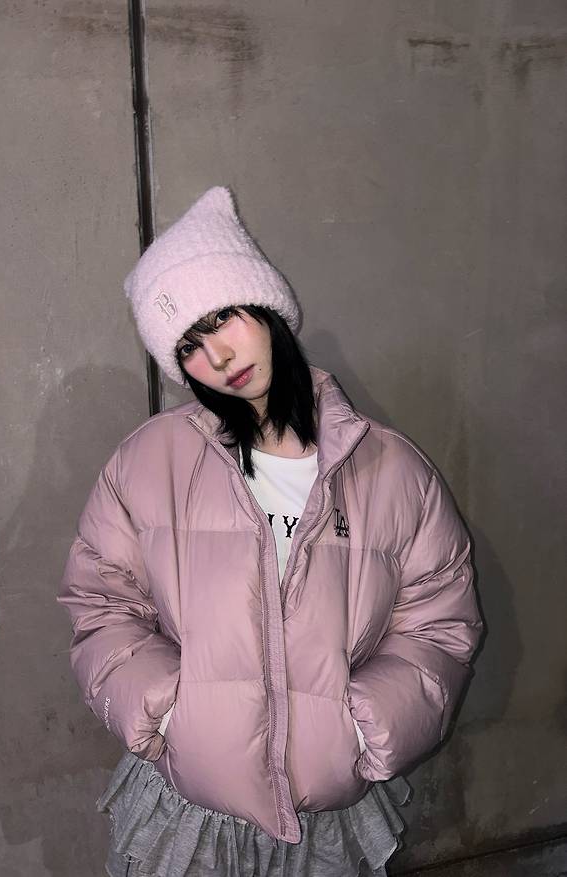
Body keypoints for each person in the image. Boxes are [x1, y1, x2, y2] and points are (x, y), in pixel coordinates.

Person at [57, 186, 483, 877]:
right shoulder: (149, 461)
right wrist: (165, 710)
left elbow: (439, 621)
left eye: (221, 318)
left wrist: (367, 725)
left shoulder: (392, 469)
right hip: (187, 813)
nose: (218, 357)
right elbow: (101, 602)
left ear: (265, 305)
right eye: (190, 346)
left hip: (326, 823)